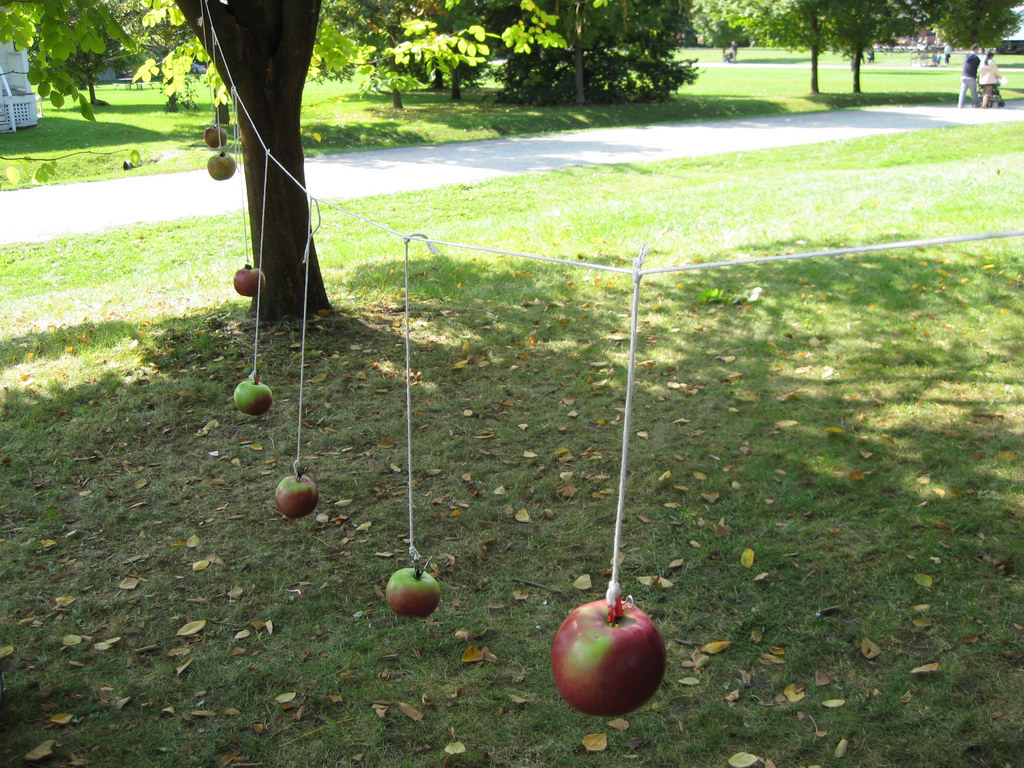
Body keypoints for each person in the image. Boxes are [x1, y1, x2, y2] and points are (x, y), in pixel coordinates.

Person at [958, 44, 981, 108]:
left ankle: (960, 104)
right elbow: (979, 63)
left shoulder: (966, 56)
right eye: (978, 49)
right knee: (974, 92)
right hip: (971, 76)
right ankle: (977, 103)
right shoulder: (975, 57)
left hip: (964, 75)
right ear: (975, 49)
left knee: (963, 91)